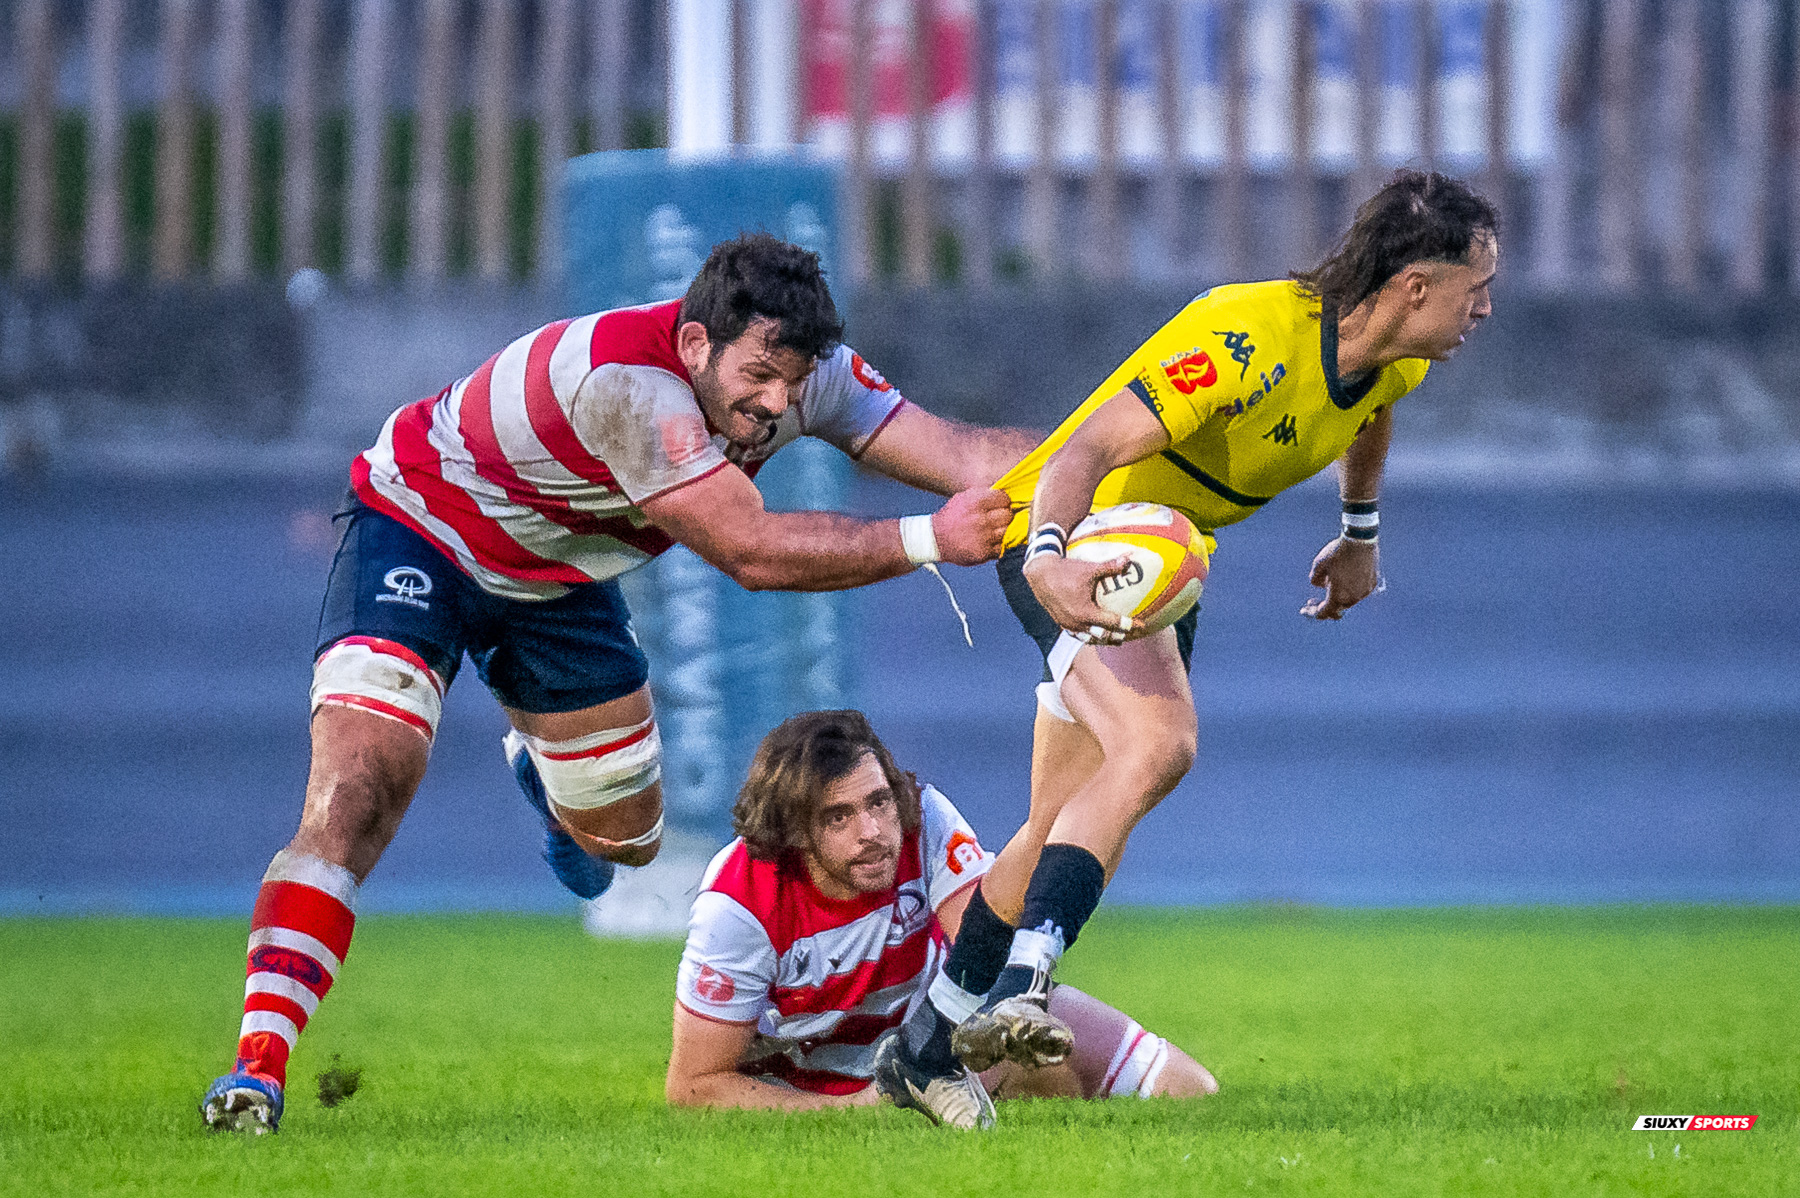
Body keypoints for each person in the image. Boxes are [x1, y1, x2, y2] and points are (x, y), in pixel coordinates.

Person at [200, 234, 1037, 1134]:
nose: (775, 404)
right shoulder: (628, 386)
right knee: (363, 784)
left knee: (625, 842)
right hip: (422, 528)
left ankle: (545, 780)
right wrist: (926, 541)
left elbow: (962, 453)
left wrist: (1123, 465)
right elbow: (750, 552)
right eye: (758, 374)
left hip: (556, 581)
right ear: (693, 347)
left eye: (793, 384)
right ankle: (257, 1070)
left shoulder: (805, 374)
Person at [877, 170, 1500, 1121]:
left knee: (1057, 821)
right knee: (1158, 745)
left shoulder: (1397, 361)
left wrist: (1360, 533)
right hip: (1074, 542)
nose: (1486, 309)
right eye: (1476, 288)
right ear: (1418, 286)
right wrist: (1046, 557)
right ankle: (1018, 991)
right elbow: (1084, 448)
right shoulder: (1244, 339)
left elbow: (1369, 416)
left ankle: (925, 1051)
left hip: (1158, 568)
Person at [667, 710, 1216, 1127]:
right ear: (792, 829)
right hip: (818, 1083)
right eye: (839, 816)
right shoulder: (738, 904)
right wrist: (856, 1112)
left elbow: (989, 941)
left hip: (943, 1037)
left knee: (1192, 1092)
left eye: (878, 802)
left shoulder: (921, 817)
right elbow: (694, 1085)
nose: (873, 831)